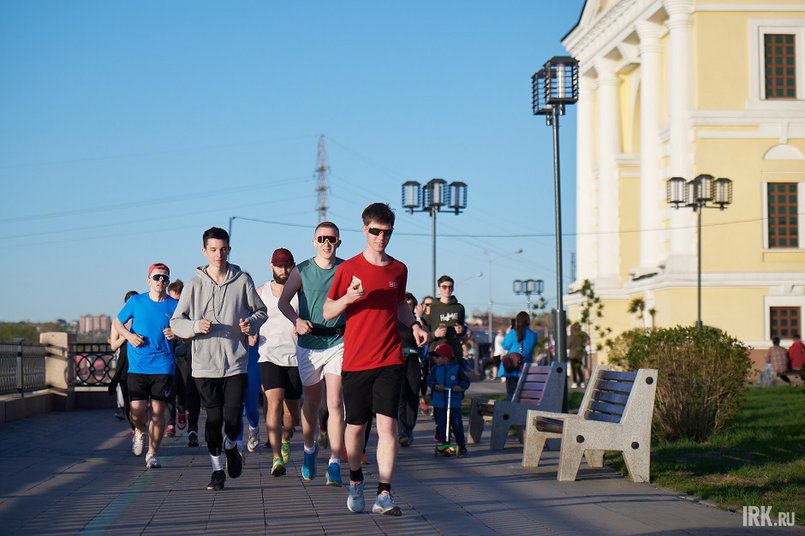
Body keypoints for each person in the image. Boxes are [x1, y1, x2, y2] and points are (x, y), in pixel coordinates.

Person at [323, 202, 428, 516]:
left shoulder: (399, 269)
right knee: (355, 428)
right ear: (364, 229)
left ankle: (384, 493)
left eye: (387, 232)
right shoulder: (348, 269)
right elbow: (328, 312)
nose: (381, 237)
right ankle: (356, 480)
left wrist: (415, 324)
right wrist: (348, 298)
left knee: (387, 427)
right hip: (356, 360)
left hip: (390, 358)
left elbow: (399, 306)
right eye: (375, 231)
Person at [170, 227, 267, 491]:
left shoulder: (242, 280)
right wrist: (194, 326)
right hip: (204, 365)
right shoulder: (193, 285)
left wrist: (251, 325)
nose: (218, 254)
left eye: (223, 249)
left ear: (229, 250)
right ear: (204, 251)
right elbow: (176, 322)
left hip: (235, 362)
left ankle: (232, 447)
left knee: (233, 419)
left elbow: (261, 311)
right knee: (213, 421)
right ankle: (217, 470)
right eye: (213, 249)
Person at [278, 221, 346, 486]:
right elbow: (284, 301)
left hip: (337, 340)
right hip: (309, 343)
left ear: (338, 242)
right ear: (314, 241)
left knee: (334, 402)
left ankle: (335, 462)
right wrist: (296, 320)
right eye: (321, 239)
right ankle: (309, 449)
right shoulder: (302, 270)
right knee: (311, 402)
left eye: (331, 239)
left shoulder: (346, 269)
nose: (326, 244)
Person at [112, 264, 178, 469]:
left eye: (164, 278)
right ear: (149, 281)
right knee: (137, 412)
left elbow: (186, 327)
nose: (161, 281)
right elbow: (117, 322)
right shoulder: (136, 301)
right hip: (138, 366)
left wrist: (177, 333)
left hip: (164, 365)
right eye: (157, 277)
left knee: (158, 412)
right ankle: (139, 430)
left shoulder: (175, 305)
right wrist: (130, 336)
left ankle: (152, 453)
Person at [257, 247, 302, 477]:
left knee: (291, 413)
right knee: (273, 403)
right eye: (279, 266)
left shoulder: (299, 292)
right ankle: (276, 458)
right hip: (269, 355)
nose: (283, 270)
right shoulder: (261, 292)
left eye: (287, 266)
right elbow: (249, 317)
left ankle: (286, 436)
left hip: (296, 357)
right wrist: (249, 331)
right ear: (271, 266)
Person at [167, 279, 202, 447]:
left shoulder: (192, 308)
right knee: (174, 390)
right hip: (172, 357)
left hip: (191, 355)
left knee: (191, 391)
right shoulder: (167, 309)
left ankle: (193, 427)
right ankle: (173, 419)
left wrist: (180, 333)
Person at [427, 342, 470, 457]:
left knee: (456, 425)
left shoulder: (457, 368)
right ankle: (445, 444)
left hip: (453, 403)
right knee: (442, 425)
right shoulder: (435, 369)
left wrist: (459, 387)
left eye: (437, 357)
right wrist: (435, 386)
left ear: (445, 358)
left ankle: (461, 445)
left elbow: (465, 381)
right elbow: (430, 380)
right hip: (440, 403)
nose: (435, 359)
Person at [108, 290, 138, 428]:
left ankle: (139, 425)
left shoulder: (141, 318)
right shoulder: (119, 321)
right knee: (127, 396)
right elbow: (113, 346)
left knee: (138, 397)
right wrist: (126, 335)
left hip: (139, 361)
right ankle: (134, 427)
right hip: (124, 362)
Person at [397, 292, 423, 447]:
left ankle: (410, 426)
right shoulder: (394, 319)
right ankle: (402, 431)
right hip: (398, 359)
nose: (407, 303)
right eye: (404, 301)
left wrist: (418, 318)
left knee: (413, 394)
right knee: (400, 396)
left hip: (413, 359)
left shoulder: (417, 322)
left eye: (409, 301)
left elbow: (424, 335)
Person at [499, 311, 538, 401]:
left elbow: (505, 345)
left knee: (511, 394)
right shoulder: (533, 335)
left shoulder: (512, 333)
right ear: (528, 321)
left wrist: (508, 332)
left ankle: (512, 412)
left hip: (512, 368)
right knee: (523, 395)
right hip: (525, 369)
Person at [426, 276, 466, 362]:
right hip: (436, 354)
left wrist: (461, 330)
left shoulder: (459, 308)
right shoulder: (431, 308)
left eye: (450, 287)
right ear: (439, 289)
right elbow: (424, 334)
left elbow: (463, 330)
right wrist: (435, 334)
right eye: (444, 287)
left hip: (454, 353)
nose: (447, 290)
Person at [567, 322, 589, 388]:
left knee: (574, 369)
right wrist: (583, 345)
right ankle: (582, 382)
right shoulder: (582, 334)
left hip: (572, 354)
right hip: (580, 354)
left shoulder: (571, 336)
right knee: (579, 368)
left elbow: (568, 345)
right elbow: (588, 340)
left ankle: (575, 382)